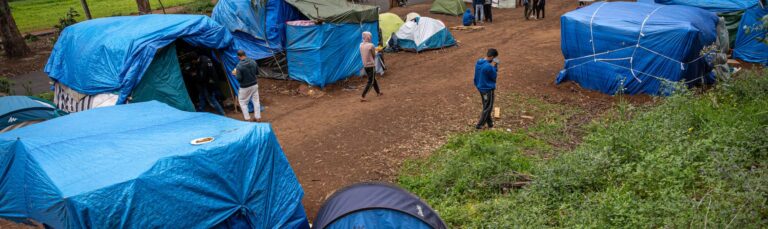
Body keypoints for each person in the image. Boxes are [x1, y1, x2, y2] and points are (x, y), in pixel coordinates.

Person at [231, 50, 260, 121]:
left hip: (245, 87)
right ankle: (258, 117)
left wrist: (235, 74)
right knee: (256, 101)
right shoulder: (253, 61)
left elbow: (239, 79)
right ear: (245, 54)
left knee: (243, 102)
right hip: (254, 84)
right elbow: (257, 72)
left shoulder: (239, 66)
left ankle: (247, 119)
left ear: (238, 56)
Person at [474, 48, 499, 130]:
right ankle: (479, 125)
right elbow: (494, 76)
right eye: (494, 58)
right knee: (488, 107)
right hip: (487, 89)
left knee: (486, 105)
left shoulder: (479, 62)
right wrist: (495, 66)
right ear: (491, 57)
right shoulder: (488, 67)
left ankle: (490, 124)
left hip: (480, 87)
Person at [360, 31, 382, 102]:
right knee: (371, 81)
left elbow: (367, 52)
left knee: (373, 78)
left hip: (365, 65)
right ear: (368, 37)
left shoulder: (361, 45)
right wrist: (377, 50)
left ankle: (378, 92)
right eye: (370, 36)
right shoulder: (371, 45)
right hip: (371, 65)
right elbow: (374, 55)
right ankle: (363, 96)